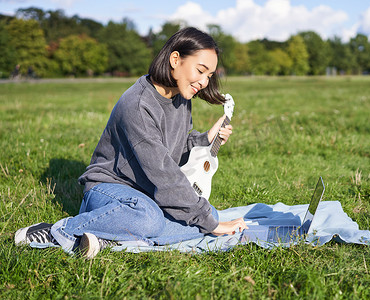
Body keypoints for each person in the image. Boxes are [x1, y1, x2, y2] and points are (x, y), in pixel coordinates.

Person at [14, 27, 248, 258]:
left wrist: (205, 138)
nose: (205, 82)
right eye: (201, 70)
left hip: (145, 193)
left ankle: (108, 237)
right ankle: (58, 232)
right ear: (175, 59)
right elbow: (164, 173)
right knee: (161, 219)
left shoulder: (180, 97)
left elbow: (171, 148)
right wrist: (208, 222)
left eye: (209, 75)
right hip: (110, 192)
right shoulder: (138, 105)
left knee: (207, 215)